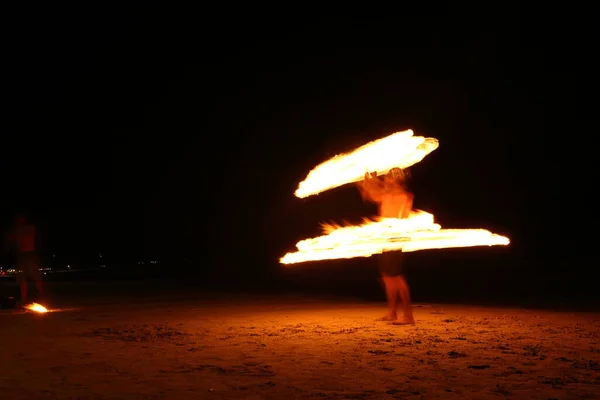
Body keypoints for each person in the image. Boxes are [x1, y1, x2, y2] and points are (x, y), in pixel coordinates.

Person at [357, 167, 415, 324]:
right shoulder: (388, 193)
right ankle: (392, 313)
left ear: (397, 180)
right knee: (387, 277)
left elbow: (401, 217)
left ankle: (408, 316)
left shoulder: (403, 196)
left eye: (389, 178)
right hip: (385, 239)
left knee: (396, 277)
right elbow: (369, 196)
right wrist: (363, 181)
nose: (386, 180)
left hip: (394, 239)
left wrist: (371, 182)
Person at [4, 213, 44, 305]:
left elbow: (37, 240)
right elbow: (10, 243)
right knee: (23, 278)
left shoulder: (28, 228)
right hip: (23, 255)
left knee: (36, 276)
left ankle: (41, 295)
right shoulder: (17, 230)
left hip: (29, 254)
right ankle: (25, 299)